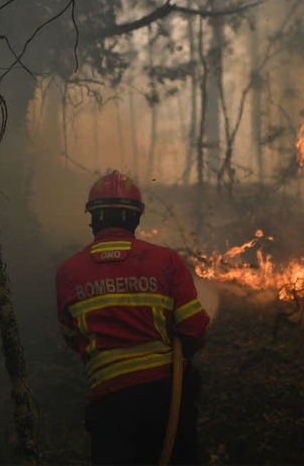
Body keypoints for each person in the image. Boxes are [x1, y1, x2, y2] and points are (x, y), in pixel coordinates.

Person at [55, 170, 211, 464]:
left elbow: (72, 339)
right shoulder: (165, 261)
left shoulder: (68, 273)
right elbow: (194, 328)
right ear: (136, 218)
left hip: (109, 405)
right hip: (166, 401)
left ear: (93, 218)